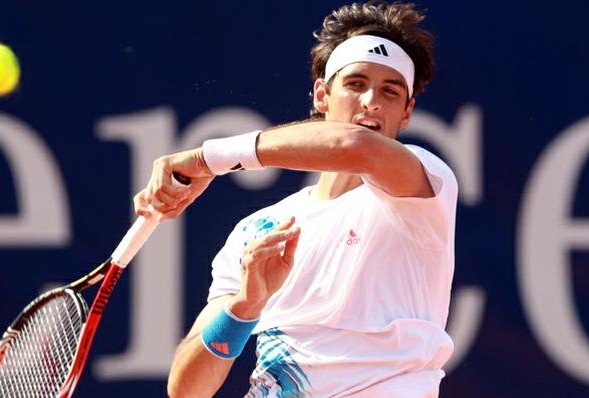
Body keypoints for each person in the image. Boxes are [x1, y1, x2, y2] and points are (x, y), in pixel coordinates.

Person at [134, 1, 458, 396]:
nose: (372, 100)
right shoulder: (256, 231)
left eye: (390, 92)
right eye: (356, 84)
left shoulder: (426, 183)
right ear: (322, 95)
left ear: (406, 113)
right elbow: (186, 390)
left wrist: (208, 159)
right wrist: (244, 307)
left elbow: (356, 147)